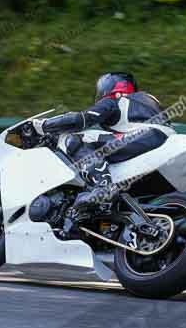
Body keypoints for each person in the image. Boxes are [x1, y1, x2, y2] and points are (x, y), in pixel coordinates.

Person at [32, 72, 174, 233]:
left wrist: (43, 126)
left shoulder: (115, 100)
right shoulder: (147, 101)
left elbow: (81, 120)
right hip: (161, 142)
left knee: (74, 139)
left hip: (142, 137)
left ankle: (102, 187)